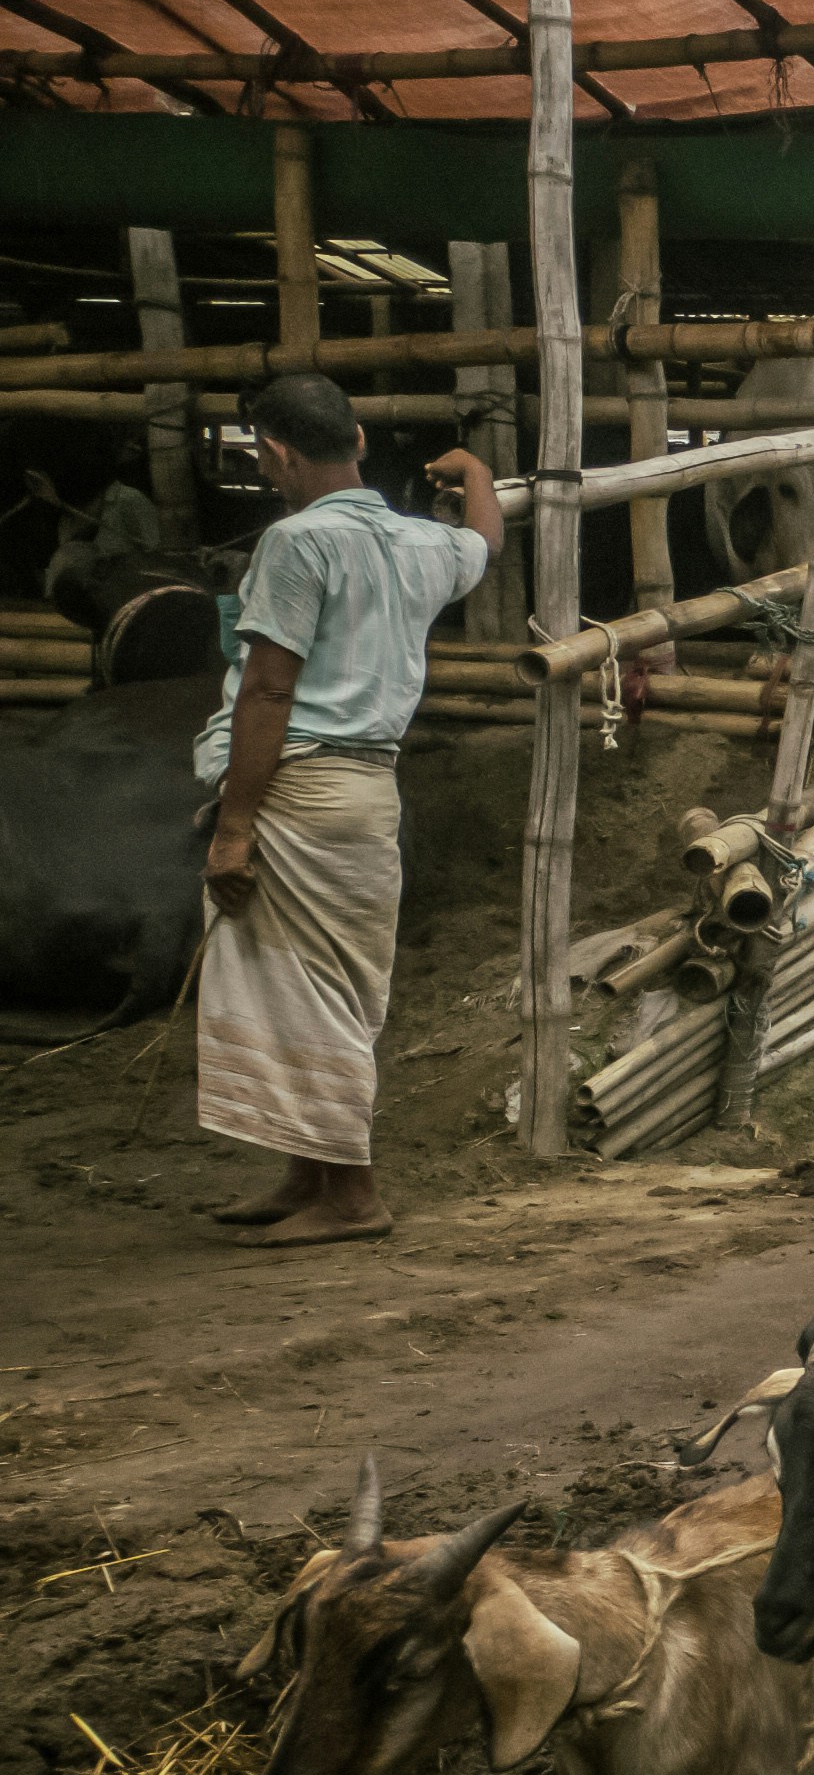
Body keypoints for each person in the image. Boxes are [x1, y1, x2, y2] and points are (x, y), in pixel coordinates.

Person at [194, 378, 501, 1246]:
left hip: (301, 789)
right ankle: (305, 1172)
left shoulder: (295, 542)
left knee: (312, 987)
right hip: (366, 791)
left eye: (262, 453)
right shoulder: (418, 542)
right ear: (358, 438)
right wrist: (476, 467)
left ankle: (353, 1195)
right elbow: (484, 540)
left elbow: (268, 686)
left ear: (278, 454)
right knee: (304, 978)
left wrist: (235, 824)